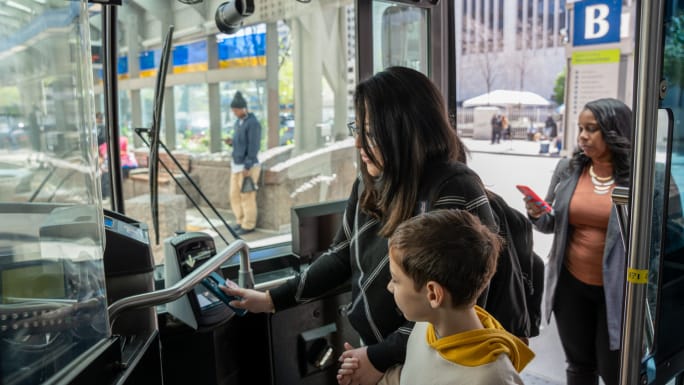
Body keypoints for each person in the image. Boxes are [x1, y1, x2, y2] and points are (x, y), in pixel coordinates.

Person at [221, 66, 497, 385]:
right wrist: (271, 299)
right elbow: (341, 256)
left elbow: (462, 301)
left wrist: (380, 357)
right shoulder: (370, 184)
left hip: (432, 357)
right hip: (375, 349)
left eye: (369, 132)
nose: (357, 143)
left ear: (404, 130)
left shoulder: (453, 188)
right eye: (357, 128)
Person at [338, 209, 534, 385]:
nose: (389, 287)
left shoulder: (492, 379)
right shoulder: (426, 327)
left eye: (396, 280)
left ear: (433, 294)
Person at [523, 98, 632, 385]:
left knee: (614, 371)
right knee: (579, 366)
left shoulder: (641, 178)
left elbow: (655, 240)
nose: (582, 136)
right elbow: (550, 223)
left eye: (592, 129)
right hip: (570, 286)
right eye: (580, 128)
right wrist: (536, 213)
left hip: (618, 292)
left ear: (614, 131)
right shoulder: (568, 169)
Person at [224, 91, 262, 235]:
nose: (234, 113)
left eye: (236, 110)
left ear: (244, 109)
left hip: (248, 167)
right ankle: (240, 221)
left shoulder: (253, 123)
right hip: (236, 165)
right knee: (234, 195)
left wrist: (247, 165)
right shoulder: (238, 123)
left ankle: (248, 224)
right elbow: (241, 143)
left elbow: (254, 146)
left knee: (247, 197)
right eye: (233, 110)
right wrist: (231, 142)